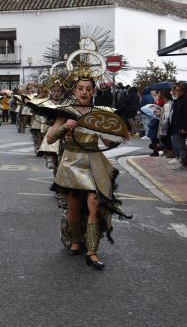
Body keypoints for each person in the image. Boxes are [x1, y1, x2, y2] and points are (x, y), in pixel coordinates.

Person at [46, 73, 131, 270]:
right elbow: (50, 139)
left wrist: (120, 137)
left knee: (95, 204)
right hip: (71, 164)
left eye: (88, 89)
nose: (84, 92)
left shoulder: (99, 114)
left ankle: (92, 251)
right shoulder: (65, 112)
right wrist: (64, 128)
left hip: (93, 163)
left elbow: (108, 142)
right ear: (74, 91)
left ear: (94, 91)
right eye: (80, 88)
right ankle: (76, 241)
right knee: (74, 210)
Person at [169, 83, 187, 169]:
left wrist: (184, 127)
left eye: (180, 91)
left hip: (182, 127)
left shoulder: (186, 101)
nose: (178, 92)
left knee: (182, 146)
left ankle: (184, 162)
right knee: (179, 145)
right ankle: (183, 160)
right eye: (176, 90)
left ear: (183, 91)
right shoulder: (176, 101)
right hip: (175, 126)